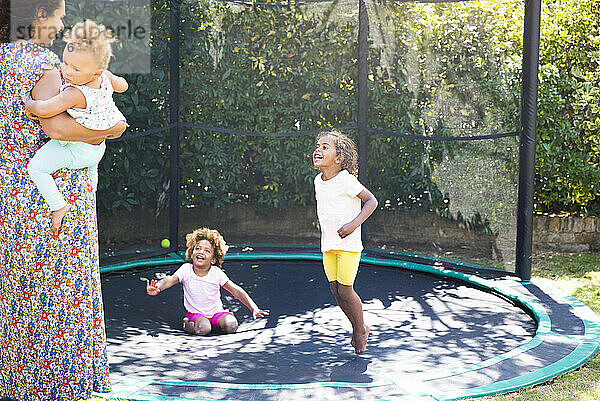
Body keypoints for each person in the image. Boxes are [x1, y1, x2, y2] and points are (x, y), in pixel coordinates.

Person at [0, 0, 127, 399]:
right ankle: (56, 386)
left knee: (19, 294)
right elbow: (57, 127)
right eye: (58, 14)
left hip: (10, 189)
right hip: (45, 198)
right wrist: (109, 130)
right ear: (39, 15)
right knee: (57, 294)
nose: (61, 23)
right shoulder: (42, 63)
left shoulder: (5, 56)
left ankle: (17, 382)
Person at [25, 19, 128, 233]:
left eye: (76, 69)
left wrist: (31, 104)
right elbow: (123, 85)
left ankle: (58, 206)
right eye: (65, 63)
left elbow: (46, 109)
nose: (67, 72)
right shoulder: (105, 77)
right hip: (97, 150)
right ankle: (90, 196)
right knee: (90, 181)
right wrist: (115, 81)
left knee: (36, 168)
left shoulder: (75, 93)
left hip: (78, 149)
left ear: (96, 73)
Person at [312, 130, 378, 354]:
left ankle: (360, 330)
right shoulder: (318, 182)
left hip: (348, 245)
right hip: (328, 245)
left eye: (325, 147)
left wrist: (353, 224)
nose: (318, 149)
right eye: (318, 146)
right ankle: (357, 326)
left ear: (339, 158)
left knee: (346, 290)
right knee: (335, 289)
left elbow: (371, 201)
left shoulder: (345, 180)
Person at [146, 228, 269, 335]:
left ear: (214, 258)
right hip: (196, 315)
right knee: (204, 329)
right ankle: (187, 323)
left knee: (231, 325)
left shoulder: (216, 273)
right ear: (191, 252)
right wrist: (157, 286)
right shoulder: (186, 270)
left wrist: (254, 308)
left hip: (216, 314)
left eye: (206, 251)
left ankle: (213, 325)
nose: (200, 252)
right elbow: (169, 280)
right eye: (197, 248)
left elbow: (235, 290)